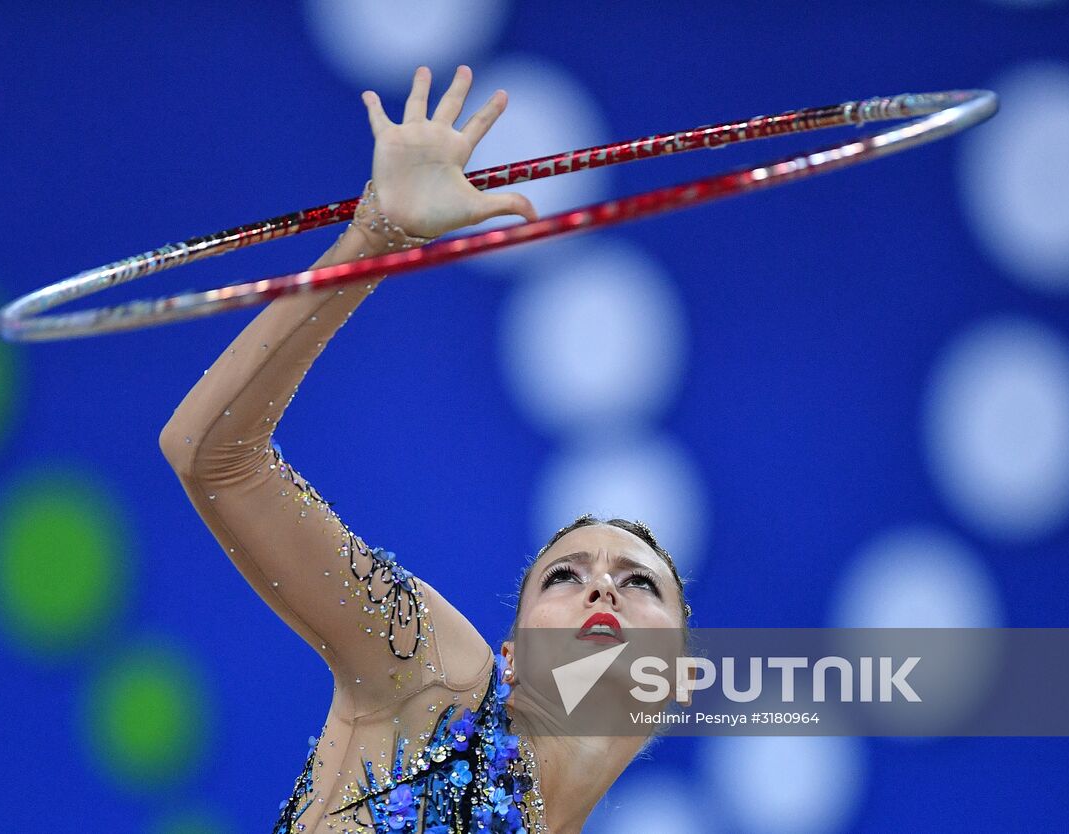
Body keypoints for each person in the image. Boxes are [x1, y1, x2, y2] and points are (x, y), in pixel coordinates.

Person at [159, 65, 692, 834]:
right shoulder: (437, 677)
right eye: (565, 576)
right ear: (512, 660)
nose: (600, 591)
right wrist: (378, 236)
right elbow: (214, 455)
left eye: (638, 583)